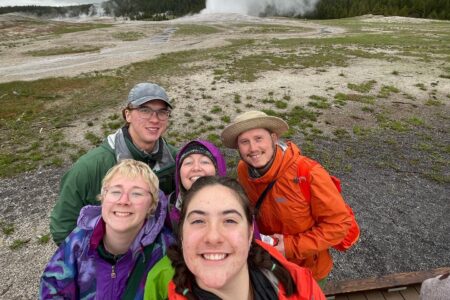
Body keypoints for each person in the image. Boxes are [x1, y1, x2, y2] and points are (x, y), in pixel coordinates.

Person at [220, 110, 352, 286]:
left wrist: (289, 247)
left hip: (308, 271)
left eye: (259, 139)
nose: (253, 148)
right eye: (245, 142)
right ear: (238, 147)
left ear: (274, 139)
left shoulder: (308, 173)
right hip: (267, 263)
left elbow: (339, 225)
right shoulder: (243, 170)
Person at [50, 82, 178, 245]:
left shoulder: (175, 160)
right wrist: (94, 262)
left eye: (162, 112)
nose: (154, 119)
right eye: (145, 110)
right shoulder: (90, 167)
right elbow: (63, 227)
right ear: (128, 115)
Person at [166, 176, 326, 300]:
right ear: (181, 234)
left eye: (229, 220)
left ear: (250, 233)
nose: (213, 237)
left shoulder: (303, 288)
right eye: (198, 221)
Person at [40, 159, 175, 299]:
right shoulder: (79, 241)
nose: (123, 201)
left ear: (151, 205)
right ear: (103, 198)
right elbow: (53, 287)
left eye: (136, 194)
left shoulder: (167, 251)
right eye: (116, 191)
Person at [166, 139, 227, 231]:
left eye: (205, 162)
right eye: (188, 163)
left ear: (217, 170)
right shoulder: (165, 211)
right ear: (179, 173)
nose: (196, 168)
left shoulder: (239, 207)